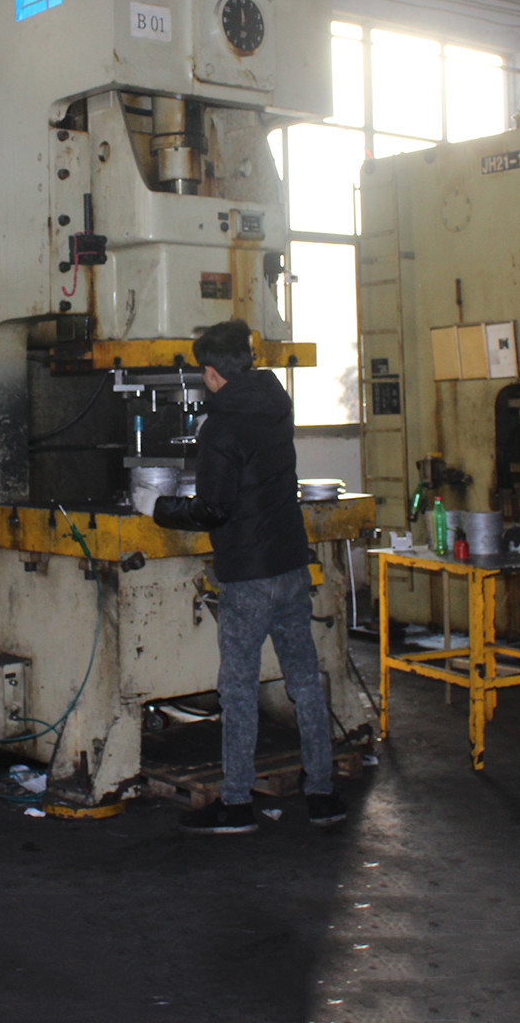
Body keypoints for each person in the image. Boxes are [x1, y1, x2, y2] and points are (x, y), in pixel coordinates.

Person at [132, 317, 347, 835]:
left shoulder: (220, 427)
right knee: (304, 682)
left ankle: (234, 803)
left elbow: (213, 509)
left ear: (210, 373)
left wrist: (156, 507)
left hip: (248, 576)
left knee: (239, 689)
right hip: (290, 564)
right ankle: (323, 793)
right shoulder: (278, 405)